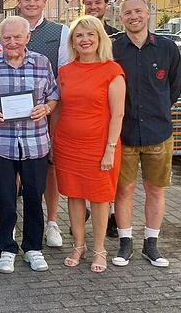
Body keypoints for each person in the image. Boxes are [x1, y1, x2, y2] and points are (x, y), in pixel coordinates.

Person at [0, 16, 59, 274]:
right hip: (2, 144)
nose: (12, 42)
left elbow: (54, 95)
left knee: (34, 197)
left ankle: (33, 248)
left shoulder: (42, 63)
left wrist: (46, 108)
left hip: (35, 143)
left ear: (27, 38)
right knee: (4, 198)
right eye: (7, 38)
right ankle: (7, 248)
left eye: (17, 37)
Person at [112, 0, 181, 268]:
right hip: (125, 133)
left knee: (155, 190)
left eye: (138, 11)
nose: (134, 17)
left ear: (148, 12)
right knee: (124, 190)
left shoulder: (167, 48)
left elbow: (174, 88)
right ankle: (125, 243)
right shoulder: (114, 48)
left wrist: (158, 110)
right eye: (128, 13)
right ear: (121, 17)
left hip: (158, 133)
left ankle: (151, 245)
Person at [0, 0, 70, 248]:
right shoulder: (8, 29)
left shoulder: (60, 31)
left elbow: (61, 77)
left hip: (46, 110)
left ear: (44, 2)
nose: (31, 3)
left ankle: (51, 221)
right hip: (13, 119)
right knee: (15, 171)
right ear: (19, 2)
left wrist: (50, 107)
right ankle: (14, 227)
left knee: (48, 169)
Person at [52, 16, 125, 273]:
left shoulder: (112, 71)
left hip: (99, 147)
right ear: (73, 41)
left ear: (99, 39)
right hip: (67, 144)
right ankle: (78, 245)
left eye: (90, 35)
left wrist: (110, 148)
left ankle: (99, 250)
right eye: (79, 35)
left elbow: (117, 114)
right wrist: (52, 141)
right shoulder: (65, 71)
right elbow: (59, 109)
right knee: (73, 195)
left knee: (99, 199)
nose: (85, 40)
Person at [82, 0, 120, 238]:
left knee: (107, 178)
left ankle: (111, 218)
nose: (93, 7)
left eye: (98, 3)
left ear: (106, 5)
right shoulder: (76, 36)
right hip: (83, 122)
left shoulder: (117, 38)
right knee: (85, 178)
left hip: (109, 119)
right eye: (89, 3)